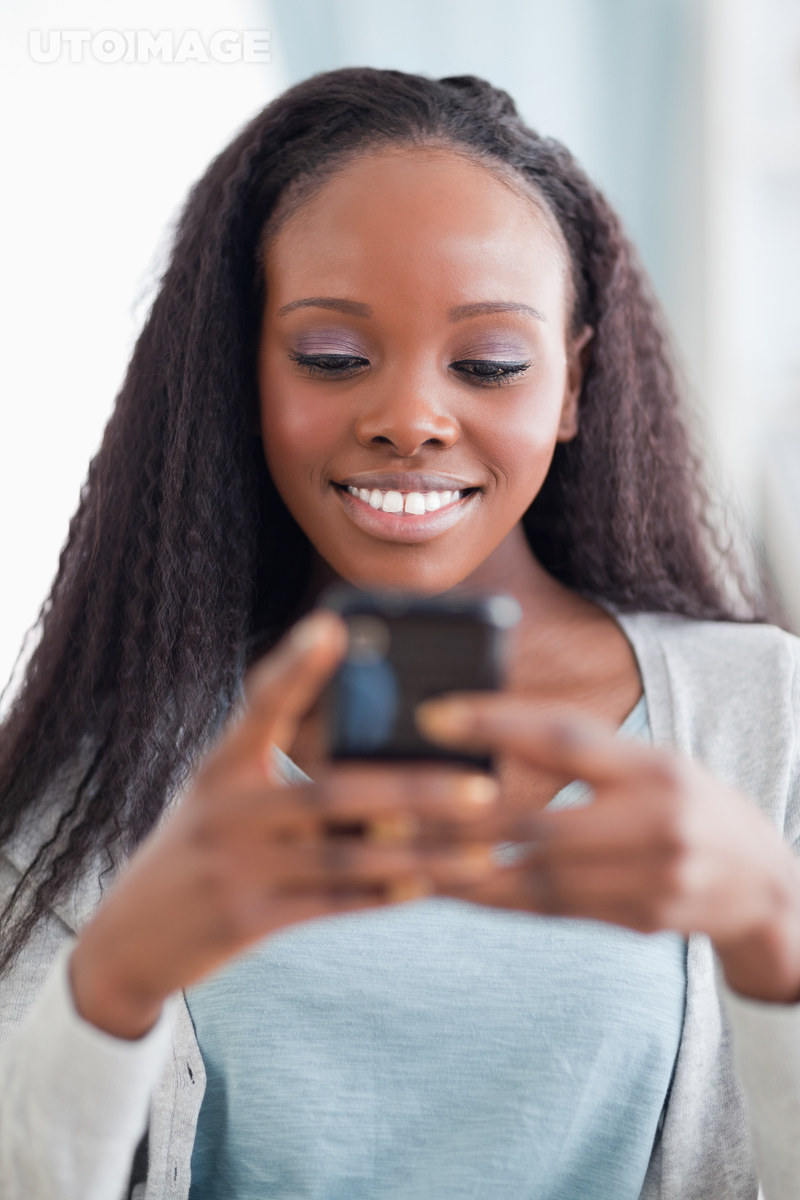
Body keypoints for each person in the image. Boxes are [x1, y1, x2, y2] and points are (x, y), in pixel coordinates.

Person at [1, 66, 799, 1200]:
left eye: (487, 364)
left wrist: (775, 950)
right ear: (244, 371)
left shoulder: (762, 718)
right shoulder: (118, 752)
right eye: (332, 357)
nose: (411, 420)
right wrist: (115, 978)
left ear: (570, 382)